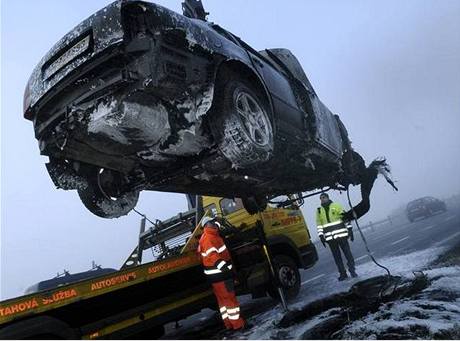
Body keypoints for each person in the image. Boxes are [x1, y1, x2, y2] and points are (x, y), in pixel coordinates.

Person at [198, 216, 245, 330]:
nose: (214, 223)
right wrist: (226, 270)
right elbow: (214, 257)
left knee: (223, 303)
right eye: (212, 222)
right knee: (230, 301)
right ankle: (239, 325)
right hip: (222, 276)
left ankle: (229, 324)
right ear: (207, 225)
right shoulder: (209, 238)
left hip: (216, 278)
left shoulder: (209, 236)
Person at [316, 193, 357, 281]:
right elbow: (319, 224)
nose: (322, 199)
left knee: (348, 255)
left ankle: (352, 270)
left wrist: (350, 229)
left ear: (328, 197)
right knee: (337, 258)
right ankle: (343, 274)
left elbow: (345, 218)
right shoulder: (319, 210)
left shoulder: (337, 206)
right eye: (321, 198)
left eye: (324, 197)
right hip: (330, 239)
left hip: (342, 236)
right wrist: (321, 236)